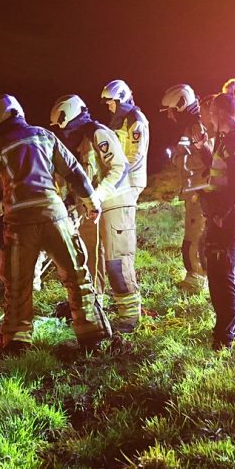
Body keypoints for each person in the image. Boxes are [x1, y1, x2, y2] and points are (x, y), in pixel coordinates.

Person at [0, 94, 111, 354]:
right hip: (55, 217)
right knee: (76, 276)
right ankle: (93, 336)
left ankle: (16, 343)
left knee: (18, 285)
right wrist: (91, 203)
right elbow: (75, 172)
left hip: (20, 225)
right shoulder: (45, 136)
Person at [49, 94, 139, 332]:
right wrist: (69, 205)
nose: (64, 133)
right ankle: (95, 309)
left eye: (64, 126)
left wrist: (96, 197)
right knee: (90, 261)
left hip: (115, 205)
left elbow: (119, 168)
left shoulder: (98, 134)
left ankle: (129, 318)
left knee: (116, 263)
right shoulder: (77, 145)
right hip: (91, 210)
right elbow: (75, 183)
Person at [198, 92, 235, 350]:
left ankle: (224, 337)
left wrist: (219, 214)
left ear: (221, 113)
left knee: (222, 276)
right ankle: (225, 329)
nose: (210, 118)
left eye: (212, 113)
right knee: (228, 274)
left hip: (231, 216)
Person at [98, 80, 148, 327]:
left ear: (120, 99)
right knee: (106, 246)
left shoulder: (135, 120)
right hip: (116, 187)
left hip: (127, 185)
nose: (109, 107)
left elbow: (135, 155)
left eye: (111, 102)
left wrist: (117, 176)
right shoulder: (118, 121)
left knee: (118, 251)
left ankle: (130, 316)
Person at [160, 84, 214, 291]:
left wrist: (175, 158)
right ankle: (196, 276)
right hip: (195, 189)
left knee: (195, 237)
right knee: (194, 236)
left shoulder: (196, 126)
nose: (169, 115)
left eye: (171, 110)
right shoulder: (193, 125)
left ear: (181, 105)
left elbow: (201, 159)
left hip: (199, 190)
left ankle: (196, 280)